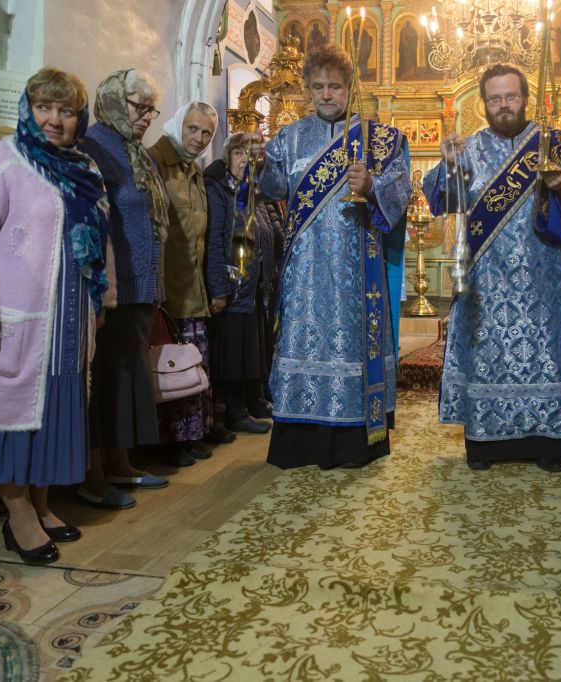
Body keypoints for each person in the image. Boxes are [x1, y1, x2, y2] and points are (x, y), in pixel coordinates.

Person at [0, 67, 112, 563]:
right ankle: (17, 513)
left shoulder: (84, 169)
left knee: (52, 414)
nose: (54, 120)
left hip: (67, 323)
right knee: (10, 418)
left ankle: (41, 505)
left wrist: (100, 302)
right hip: (15, 323)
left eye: (66, 111)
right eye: (44, 107)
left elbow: (100, 243)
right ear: (28, 107)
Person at [424, 63, 561, 472]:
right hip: (486, 281)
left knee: (546, 356)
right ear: (484, 104)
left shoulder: (555, 146)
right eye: (495, 99)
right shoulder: (469, 149)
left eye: (511, 96)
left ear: (525, 99)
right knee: (487, 358)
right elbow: (443, 201)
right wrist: (447, 165)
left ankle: (549, 442)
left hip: (545, 279)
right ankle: (485, 444)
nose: (503, 105)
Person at [256, 44, 411, 469]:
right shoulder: (289, 138)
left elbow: (401, 193)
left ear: (350, 88)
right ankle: (299, 442)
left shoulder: (379, 139)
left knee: (353, 347)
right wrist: (257, 162)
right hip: (305, 272)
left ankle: (353, 443)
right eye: (318, 86)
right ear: (307, 89)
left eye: (335, 86)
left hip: (356, 271)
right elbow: (272, 190)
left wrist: (372, 186)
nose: (327, 94)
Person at [79, 69, 171, 508]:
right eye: (140, 107)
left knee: (126, 380)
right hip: (114, 289)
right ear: (116, 100)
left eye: (153, 110)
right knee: (106, 381)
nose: (148, 117)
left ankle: (120, 463)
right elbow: (98, 219)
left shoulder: (137, 151)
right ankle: (92, 475)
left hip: (141, 287)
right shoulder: (95, 145)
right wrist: (103, 288)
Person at [147, 101, 234, 465]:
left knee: (193, 363)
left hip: (192, 284)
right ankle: (170, 441)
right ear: (178, 124)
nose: (199, 138)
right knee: (170, 367)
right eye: (193, 129)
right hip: (168, 286)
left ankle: (192, 433)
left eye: (207, 133)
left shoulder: (193, 168)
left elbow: (203, 233)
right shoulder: (156, 161)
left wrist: (213, 284)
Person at [205, 132, 276, 434]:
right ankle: (236, 411)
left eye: (251, 154)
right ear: (227, 157)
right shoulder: (220, 191)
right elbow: (214, 242)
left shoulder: (252, 192)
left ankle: (254, 400)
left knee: (253, 349)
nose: (245, 159)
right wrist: (219, 287)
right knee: (234, 353)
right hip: (232, 287)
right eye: (238, 153)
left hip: (255, 286)